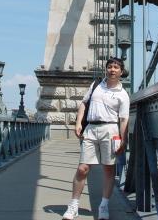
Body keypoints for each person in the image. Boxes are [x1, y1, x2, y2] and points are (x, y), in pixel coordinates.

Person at [62, 57, 130, 220]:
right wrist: (78, 122)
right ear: (106, 69)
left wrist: (123, 139)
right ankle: (73, 206)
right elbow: (84, 104)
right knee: (82, 168)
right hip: (91, 129)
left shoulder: (123, 95)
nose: (112, 70)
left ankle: (104, 206)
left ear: (121, 72)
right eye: (109, 67)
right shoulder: (96, 85)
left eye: (115, 67)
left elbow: (123, 120)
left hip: (110, 130)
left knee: (108, 169)